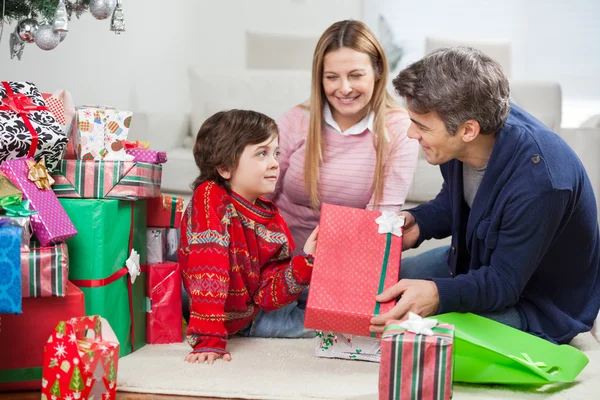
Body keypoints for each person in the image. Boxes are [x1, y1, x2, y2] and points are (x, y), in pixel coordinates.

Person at [370, 46, 600, 345]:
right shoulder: (469, 130)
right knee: (381, 287)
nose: (411, 134)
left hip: (534, 301)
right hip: (478, 261)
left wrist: (438, 294)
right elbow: (459, 198)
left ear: (468, 130)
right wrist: (419, 221)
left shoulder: (541, 182)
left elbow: (504, 283)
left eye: (421, 126)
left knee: (411, 333)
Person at [251, 19, 420, 338]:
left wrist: (342, 291)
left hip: (345, 273)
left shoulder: (399, 129)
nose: (344, 88)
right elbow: (259, 196)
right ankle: (289, 315)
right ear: (319, 78)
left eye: (356, 75)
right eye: (332, 77)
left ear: (378, 72)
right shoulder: (298, 120)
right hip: (278, 268)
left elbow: (381, 219)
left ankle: (301, 317)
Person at [178, 109, 319, 364]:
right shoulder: (209, 197)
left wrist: (306, 261)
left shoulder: (272, 220)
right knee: (322, 326)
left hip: (261, 306)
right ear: (224, 167)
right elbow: (208, 269)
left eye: (276, 152)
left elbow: (268, 294)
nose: (275, 162)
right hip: (244, 322)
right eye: (262, 153)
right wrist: (208, 339)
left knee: (326, 289)